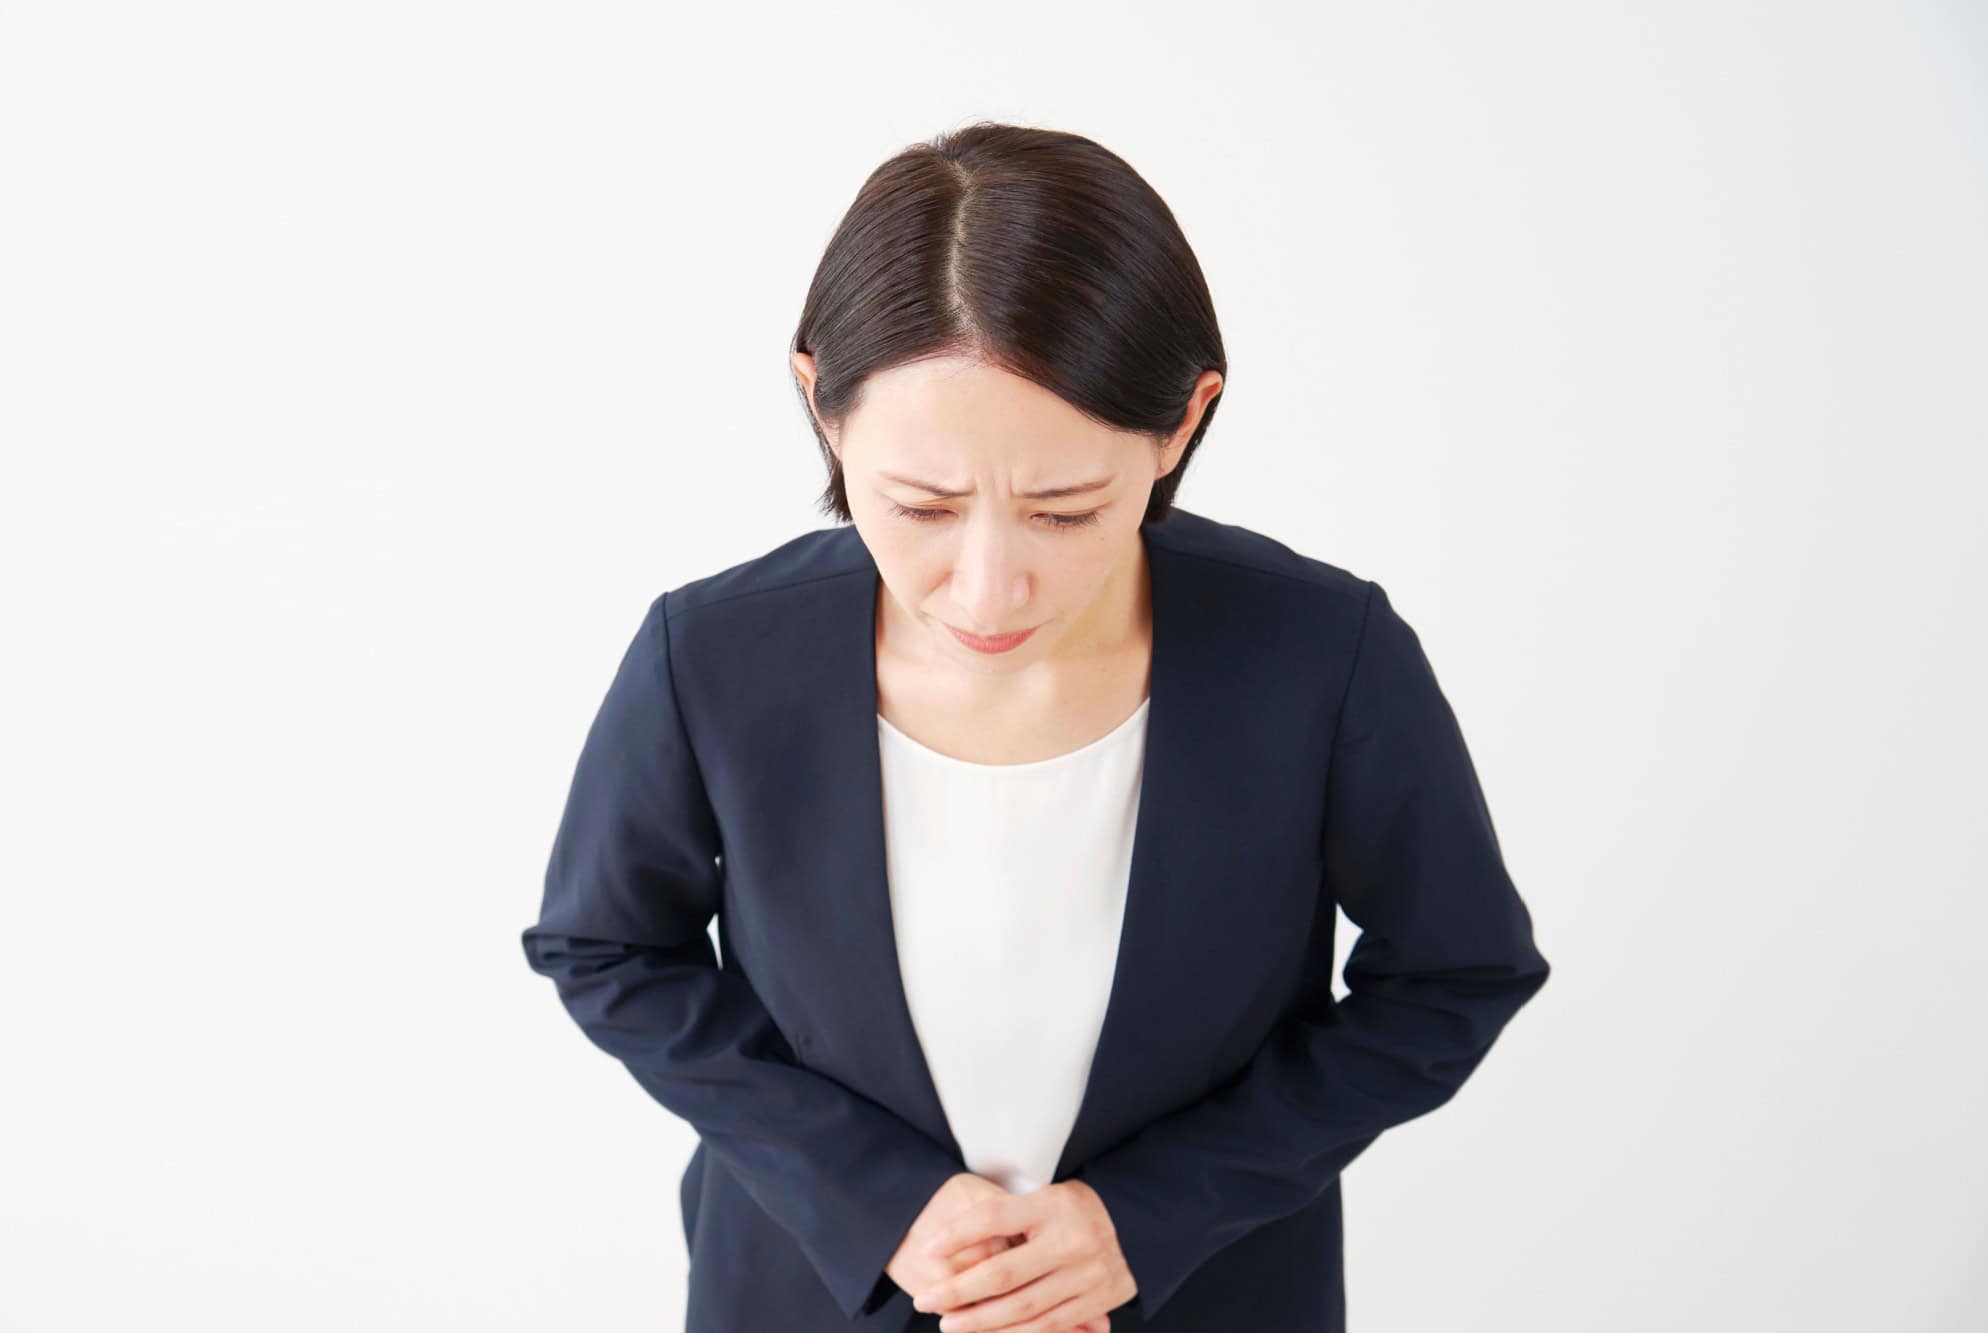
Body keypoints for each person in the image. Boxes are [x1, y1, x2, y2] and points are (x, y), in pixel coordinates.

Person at [520, 121, 1552, 1333]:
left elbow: (1452, 971)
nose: (983, 589)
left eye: (1064, 511)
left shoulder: (1321, 654)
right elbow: (607, 949)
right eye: (921, 505)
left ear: (1181, 423)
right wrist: (873, 1198)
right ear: (822, 407)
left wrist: (1151, 1212)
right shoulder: (711, 656)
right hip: (804, 1297)